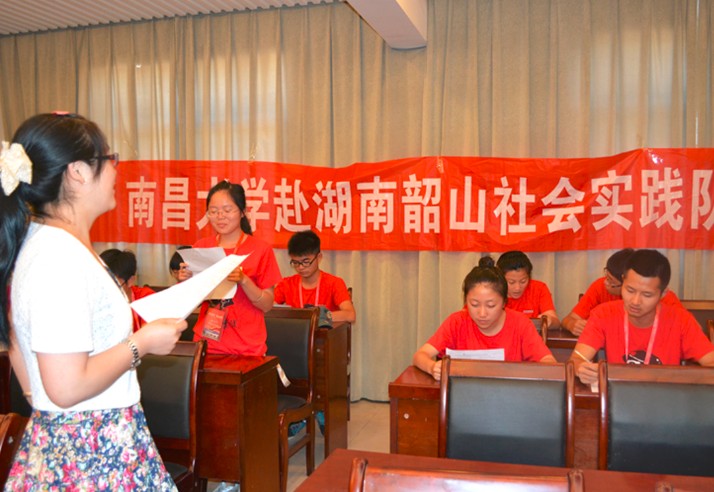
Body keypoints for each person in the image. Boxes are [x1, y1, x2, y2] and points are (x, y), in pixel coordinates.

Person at [0, 113, 185, 489]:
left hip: (83, 438)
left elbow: (19, 344)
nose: (116, 170)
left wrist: (43, 399)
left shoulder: (49, 244)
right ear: (78, 172)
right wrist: (142, 343)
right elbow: (66, 388)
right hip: (91, 449)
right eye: (109, 159)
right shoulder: (58, 257)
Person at [570, 249, 714, 386]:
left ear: (663, 293)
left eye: (647, 295)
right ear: (623, 282)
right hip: (619, 399)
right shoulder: (603, 314)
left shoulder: (681, 320)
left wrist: (684, 379)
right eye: (630, 290)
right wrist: (582, 369)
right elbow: (576, 359)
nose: (635, 301)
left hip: (667, 399)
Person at [177, 180, 281, 356]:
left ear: (242, 212)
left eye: (227, 210)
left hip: (247, 347)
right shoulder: (201, 247)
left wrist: (244, 280)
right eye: (214, 211)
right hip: (206, 345)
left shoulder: (261, 249)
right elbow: (189, 302)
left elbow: (267, 304)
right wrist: (186, 282)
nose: (220, 216)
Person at [413, 257, 556, 381]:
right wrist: (432, 367)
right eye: (474, 304)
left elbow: (548, 362)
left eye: (491, 305)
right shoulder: (457, 322)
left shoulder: (520, 323)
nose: (482, 313)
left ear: (505, 302)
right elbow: (420, 355)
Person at [562, 248, 682, 336]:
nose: (606, 283)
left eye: (611, 281)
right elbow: (568, 319)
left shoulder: (657, 295)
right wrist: (572, 325)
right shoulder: (599, 289)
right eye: (606, 276)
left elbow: (688, 329)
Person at [274, 230, 356, 323]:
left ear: (319, 257)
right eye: (296, 262)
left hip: (324, 336)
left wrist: (317, 317)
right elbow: (268, 310)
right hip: (294, 336)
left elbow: (350, 315)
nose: (300, 267)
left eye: (306, 262)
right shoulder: (286, 284)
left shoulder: (334, 283)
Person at [496, 250, 561, 330]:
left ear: (529, 276)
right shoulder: (493, 291)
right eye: (511, 282)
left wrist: (549, 320)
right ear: (500, 279)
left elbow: (556, 323)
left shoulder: (539, 288)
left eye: (523, 281)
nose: (517, 288)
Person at [99, 248, 155, 332]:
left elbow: (151, 335)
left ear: (130, 281)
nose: (106, 291)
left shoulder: (145, 298)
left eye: (114, 285)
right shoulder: (95, 299)